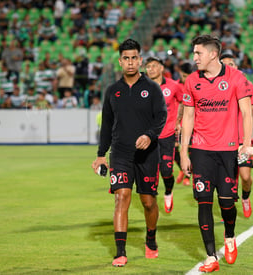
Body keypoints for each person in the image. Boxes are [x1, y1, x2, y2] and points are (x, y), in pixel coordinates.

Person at [91, 39, 167, 267]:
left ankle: (151, 238)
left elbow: (161, 117)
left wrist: (149, 136)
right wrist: (101, 154)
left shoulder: (152, 88)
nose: (131, 62)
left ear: (140, 60)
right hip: (121, 154)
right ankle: (120, 252)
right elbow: (107, 125)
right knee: (121, 197)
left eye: (135, 57)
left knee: (148, 202)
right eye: (126, 58)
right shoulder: (112, 91)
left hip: (148, 154)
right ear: (120, 61)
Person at [180, 35, 253, 272]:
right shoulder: (191, 81)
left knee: (226, 203)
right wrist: (184, 152)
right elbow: (188, 117)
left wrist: (246, 144)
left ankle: (230, 237)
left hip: (228, 150)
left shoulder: (236, 78)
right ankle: (211, 257)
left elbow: (247, 112)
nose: (194, 58)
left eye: (198, 53)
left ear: (213, 54)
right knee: (203, 202)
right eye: (193, 53)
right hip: (201, 150)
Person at [220, 53, 253, 218]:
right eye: (226, 64)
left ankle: (245, 197)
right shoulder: (217, 86)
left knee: (245, 177)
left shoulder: (246, 84)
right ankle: (228, 213)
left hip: (244, 140)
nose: (229, 66)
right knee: (227, 182)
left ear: (237, 67)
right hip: (223, 141)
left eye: (232, 63)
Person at [145, 57, 183, 213]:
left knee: (166, 170)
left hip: (167, 134)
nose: (151, 69)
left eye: (154, 66)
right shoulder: (142, 87)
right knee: (149, 173)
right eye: (148, 67)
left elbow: (183, 102)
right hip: (149, 136)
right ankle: (151, 206)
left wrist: (178, 121)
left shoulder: (174, 86)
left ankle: (168, 192)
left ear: (161, 68)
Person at [175, 62, 193, 186]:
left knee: (191, 150)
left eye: (187, 76)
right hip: (176, 123)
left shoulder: (193, 85)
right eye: (183, 75)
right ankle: (183, 169)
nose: (185, 78)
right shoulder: (175, 86)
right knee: (174, 149)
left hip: (190, 123)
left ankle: (187, 175)